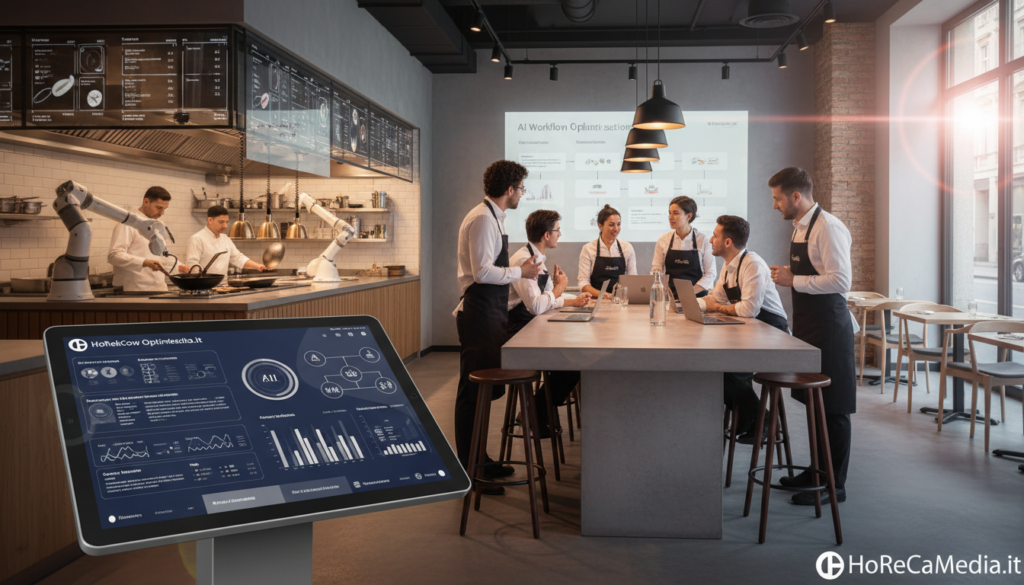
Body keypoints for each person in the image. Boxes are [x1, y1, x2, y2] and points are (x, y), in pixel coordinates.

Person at [453, 160, 543, 493]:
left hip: (489, 314)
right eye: (521, 188)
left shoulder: (493, 217)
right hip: (478, 315)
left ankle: (481, 459)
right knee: (472, 394)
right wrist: (522, 272)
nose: (522, 194)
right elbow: (481, 273)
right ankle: (469, 472)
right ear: (510, 189)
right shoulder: (482, 219)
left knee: (482, 394)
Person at [767, 167, 855, 506]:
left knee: (833, 408)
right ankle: (816, 471)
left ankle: (834, 485)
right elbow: (816, 271)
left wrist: (794, 280)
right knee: (814, 404)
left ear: (796, 196)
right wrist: (791, 274)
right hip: (808, 327)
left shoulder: (829, 227)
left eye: (777, 199)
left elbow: (841, 281)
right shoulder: (800, 227)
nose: (774, 205)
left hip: (830, 329)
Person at [701, 215, 789, 443]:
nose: (710, 240)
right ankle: (749, 417)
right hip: (751, 335)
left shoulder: (753, 264)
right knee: (713, 370)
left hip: (774, 336)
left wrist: (717, 307)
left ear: (728, 242)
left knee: (727, 372)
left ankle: (763, 420)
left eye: (714, 235)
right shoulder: (729, 266)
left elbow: (748, 309)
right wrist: (684, 305)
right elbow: (716, 299)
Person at [506, 210, 590, 437]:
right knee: (573, 363)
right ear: (546, 234)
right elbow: (536, 306)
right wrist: (559, 288)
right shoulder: (524, 261)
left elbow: (547, 300)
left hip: (530, 328)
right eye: (557, 230)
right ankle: (534, 410)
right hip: (516, 333)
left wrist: (573, 301)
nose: (560, 234)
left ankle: (536, 410)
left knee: (574, 360)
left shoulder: (538, 259)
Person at [108, 186, 173, 292]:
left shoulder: (158, 226)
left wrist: (180, 267)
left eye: (164, 209)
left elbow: (161, 257)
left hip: (159, 288)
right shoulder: (127, 224)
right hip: (134, 290)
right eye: (159, 208)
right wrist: (145, 262)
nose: (162, 213)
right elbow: (114, 256)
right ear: (146, 202)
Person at [652, 196, 716, 300]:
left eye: (675, 213)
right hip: (670, 297)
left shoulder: (703, 240)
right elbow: (656, 270)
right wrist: (664, 288)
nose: (670, 217)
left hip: (697, 298)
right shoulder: (663, 239)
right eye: (670, 213)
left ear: (689, 216)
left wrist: (689, 293)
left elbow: (710, 274)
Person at [182, 206, 266, 284]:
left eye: (226, 222)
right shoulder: (197, 239)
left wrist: (258, 266)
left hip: (223, 286)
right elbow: (192, 265)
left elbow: (237, 258)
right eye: (221, 222)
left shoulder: (225, 238)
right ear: (210, 220)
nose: (225, 226)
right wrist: (200, 284)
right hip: (204, 286)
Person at [578, 204, 637, 299]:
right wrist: (605, 295)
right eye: (611, 225)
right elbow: (583, 283)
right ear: (600, 226)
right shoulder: (588, 249)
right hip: (595, 301)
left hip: (619, 301)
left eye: (618, 224)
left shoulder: (627, 247)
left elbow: (633, 279)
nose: (616, 229)